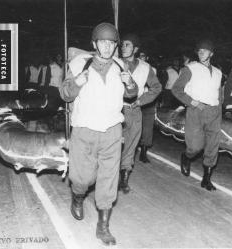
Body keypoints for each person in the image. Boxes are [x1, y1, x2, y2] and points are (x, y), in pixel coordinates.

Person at [59, 22, 138, 246]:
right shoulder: (78, 63)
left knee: (108, 180)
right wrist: (76, 83)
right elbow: (64, 93)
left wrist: (130, 84)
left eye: (111, 43)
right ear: (94, 44)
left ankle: (103, 227)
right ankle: (78, 195)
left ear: (115, 46)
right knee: (82, 178)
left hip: (112, 130)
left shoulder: (120, 65)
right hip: (84, 129)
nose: (106, 47)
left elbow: (132, 94)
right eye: (102, 42)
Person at [171, 39, 223, 191]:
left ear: (211, 54)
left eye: (205, 51)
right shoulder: (190, 68)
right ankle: (186, 157)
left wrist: (219, 107)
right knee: (195, 146)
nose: (201, 53)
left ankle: (206, 179)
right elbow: (176, 89)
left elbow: (219, 93)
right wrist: (192, 102)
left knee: (213, 147)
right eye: (199, 51)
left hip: (214, 112)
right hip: (197, 110)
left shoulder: (219, 72)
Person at [118, 34, 162, 193]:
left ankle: (124, 178)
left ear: (135, 49)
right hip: (115, 109)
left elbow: (156, 88)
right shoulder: (115, 62)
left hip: (135, 110)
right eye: (122, 45)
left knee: (131, 145)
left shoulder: (145, 67)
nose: (123, 47)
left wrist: (141, 101)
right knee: (114, 143)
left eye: (127, 45)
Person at [138, 50, 159, 163]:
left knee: (147, 128)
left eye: (144, 56)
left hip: (148, 101)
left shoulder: (151, 69)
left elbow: (154, 87)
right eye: (140, 56)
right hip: (135, 100)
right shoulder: (134, 67)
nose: (142, 58)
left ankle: (143, 152)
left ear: (147, 57)